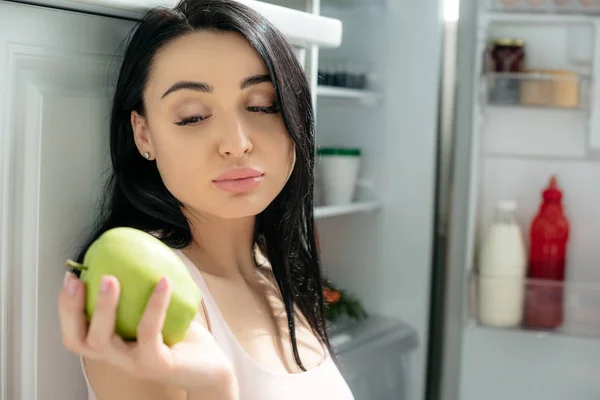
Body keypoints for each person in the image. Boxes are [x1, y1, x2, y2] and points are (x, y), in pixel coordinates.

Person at [57, 0, 355, 399]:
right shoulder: (146, 303)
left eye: (262, 106)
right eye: (194, 116)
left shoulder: (273, 265)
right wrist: (215, 387)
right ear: (143, 135)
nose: (236, 144)